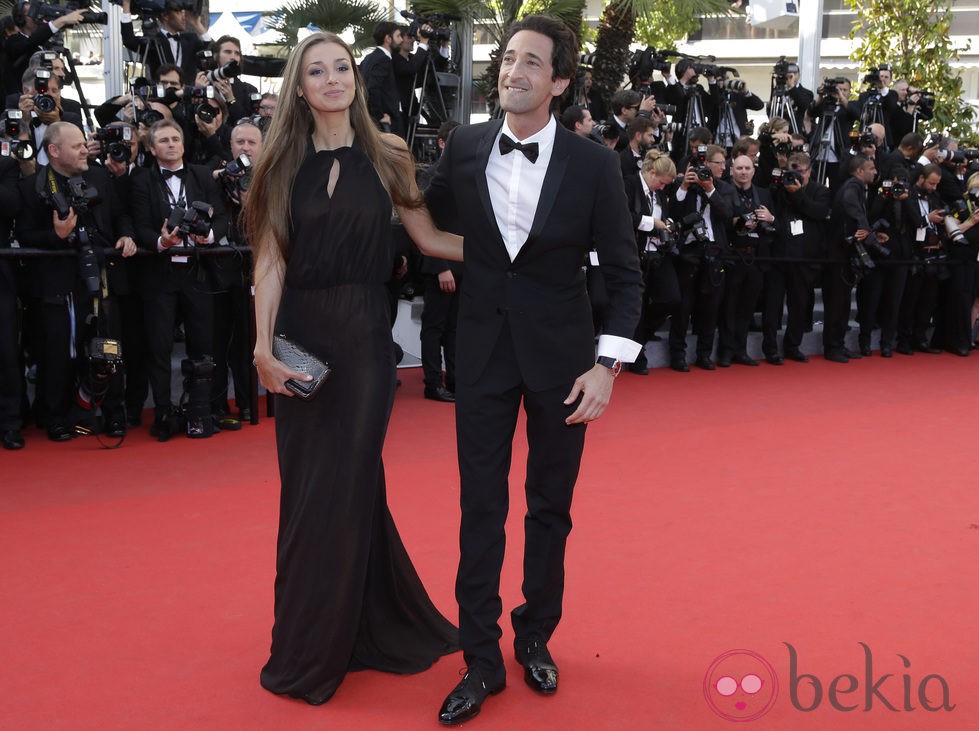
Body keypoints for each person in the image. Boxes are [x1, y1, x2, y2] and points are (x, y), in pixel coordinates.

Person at [425, 15, 643, 725]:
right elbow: (420, 222)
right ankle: (480, 659)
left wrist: (608, 365)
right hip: (482, 354)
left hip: (564, 364)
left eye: (531, 62)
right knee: (479, 507)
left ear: (558, 81)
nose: (513, 71)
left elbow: (624, 273)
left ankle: (535, 631)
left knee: (550, 505)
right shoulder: (461, 147)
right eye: (507, 58)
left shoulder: (593, 164)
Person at [244, 30, 461, 706]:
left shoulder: (389, 153)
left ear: (356, 81)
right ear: (299, 87)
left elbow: (427, 238)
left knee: (343, 480)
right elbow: (270, 260)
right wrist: (261, 346)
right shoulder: (277, 162)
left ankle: (324, 645)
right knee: (313, 491)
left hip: (366, 341)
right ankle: (353, 625)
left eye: (342, 68)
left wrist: (521, 246)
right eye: (317, 71)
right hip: (301, 340)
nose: (334, 79)